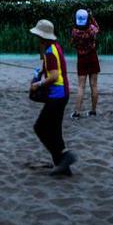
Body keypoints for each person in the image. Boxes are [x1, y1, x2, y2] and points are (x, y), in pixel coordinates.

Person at [29, 19, 77, 176]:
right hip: (62, 94)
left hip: (56, 95)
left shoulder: (50, 51)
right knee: (54, 130)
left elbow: (55, 76)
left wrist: (39, 84)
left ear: (42, 37)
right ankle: (63, 166)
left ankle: (65, 156)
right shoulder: (56, 47)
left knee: (40, 128)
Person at [70, 9, 100, 118]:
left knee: (81, 87)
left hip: (81, 58)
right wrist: (92, 17)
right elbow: (98, 28)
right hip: (92, 56)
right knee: (94, 85)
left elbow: (72, 43)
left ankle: (77, 112)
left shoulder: (74, 31)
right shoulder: (91, 29)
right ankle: (93, 111)